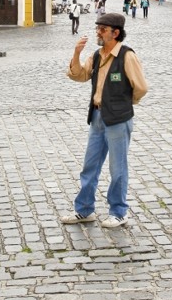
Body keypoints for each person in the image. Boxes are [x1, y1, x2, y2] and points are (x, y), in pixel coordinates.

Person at [62, 12, 148, 228]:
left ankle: (119, 212)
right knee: (90, 166)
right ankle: (84, 210)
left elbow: (140, 88)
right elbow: (79, 75)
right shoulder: (97, 55)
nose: (98, 32)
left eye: (102, 29)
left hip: (118, 120)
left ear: (115, 33)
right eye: (97, 28)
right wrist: (76, 52)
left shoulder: (127, 56)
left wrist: (125, 105)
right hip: (97, 116)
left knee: (118, 168)